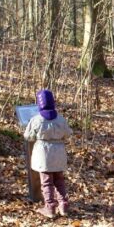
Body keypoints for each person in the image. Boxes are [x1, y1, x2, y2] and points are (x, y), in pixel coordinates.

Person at [24, 89, 73, 218]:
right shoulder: (61, 119)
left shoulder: (36, 120)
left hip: (43, 153)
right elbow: (68, 133)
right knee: (59, 180)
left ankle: (50, 207)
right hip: (59, 152)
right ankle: (63, 205)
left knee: (46, 181)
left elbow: (28, 136)